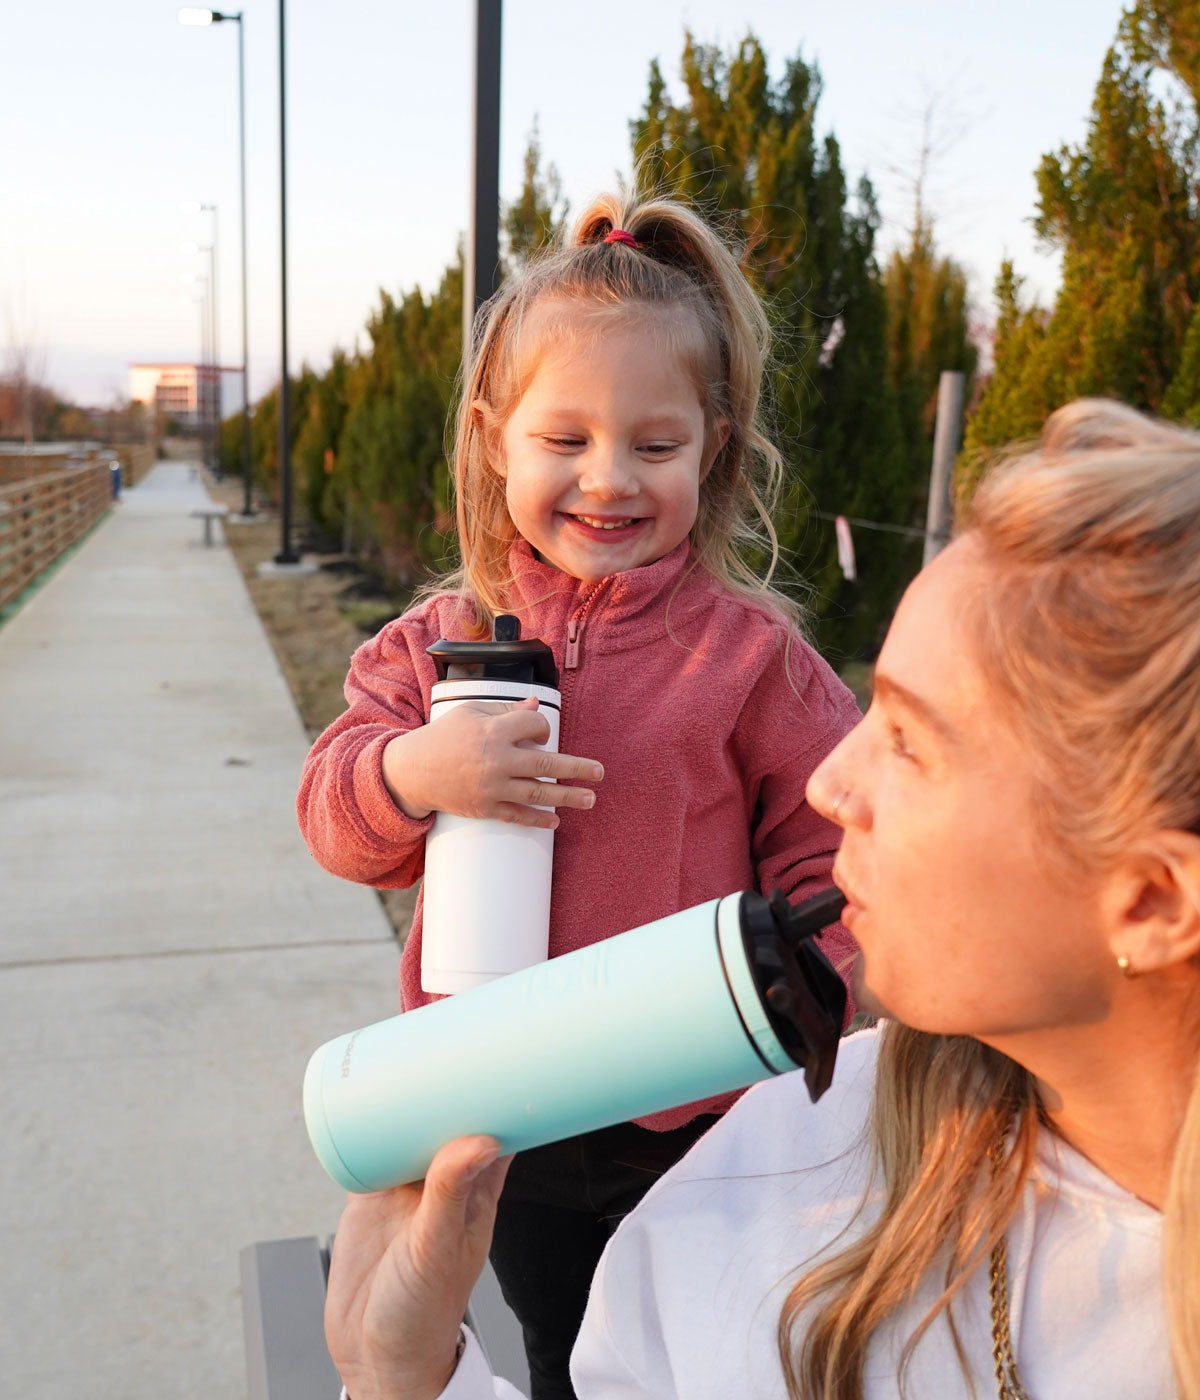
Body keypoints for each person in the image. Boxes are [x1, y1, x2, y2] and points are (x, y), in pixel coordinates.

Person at [321, 398, 1200, 1400]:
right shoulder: (778, 1166)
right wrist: (407, 1379)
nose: (829, 785)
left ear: (1152, 900)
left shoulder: (749, 657)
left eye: (909, 741)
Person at [297, 191, 861, 1398]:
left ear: (711, 444)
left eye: (653, 445)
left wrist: (825, 977)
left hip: (706, 1109)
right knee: (564, 1345)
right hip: (505, 1113)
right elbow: (332, 814)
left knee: (715, 1350)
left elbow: (838, 850)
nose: (609, 479)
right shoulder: (433, 643)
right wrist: (414, 771)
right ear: (497, 436)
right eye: (566, 440)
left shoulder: (751, 658)